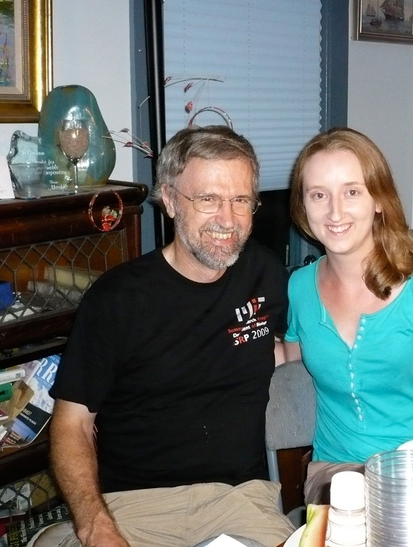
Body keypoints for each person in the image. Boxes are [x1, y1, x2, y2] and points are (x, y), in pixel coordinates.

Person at [46, 126, 294, 547]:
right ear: (171, 201)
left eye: (240, 200)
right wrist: (95, 526)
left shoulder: (265, 272)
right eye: (209, 199)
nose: (228, 219)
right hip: (134, 509)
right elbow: (71, 424)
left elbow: (289, 350)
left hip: (241, 503)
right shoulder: (118, 298)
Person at [284, 128, 413, 504]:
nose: (335, 211)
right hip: (335, 475)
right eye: (319, 195)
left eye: (352, 192)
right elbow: (290, 360)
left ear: (378, 201)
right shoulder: (300, 287)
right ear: (303, 207)